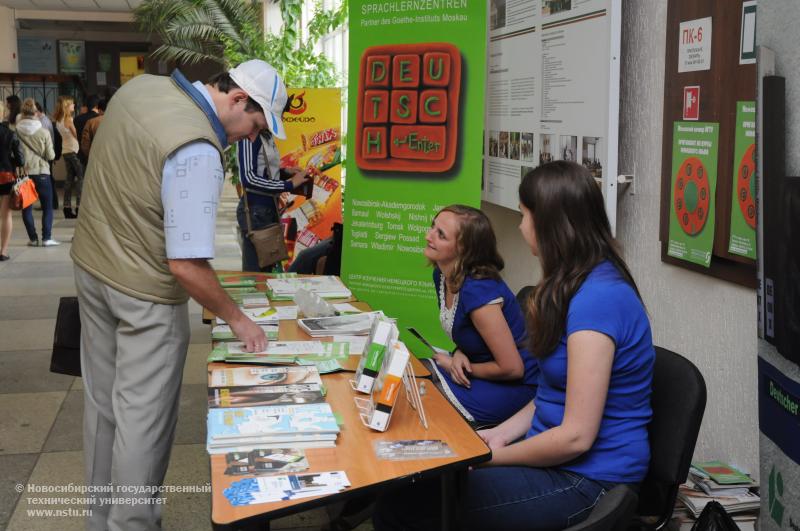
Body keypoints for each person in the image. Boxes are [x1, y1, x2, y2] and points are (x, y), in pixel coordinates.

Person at [374, 161, 655, 530]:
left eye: (524, 216)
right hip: (556, 461)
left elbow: (575, 436)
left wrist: (489, 456)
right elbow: (555, 390)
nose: (521, 227)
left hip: (587, 481)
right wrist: (498, 435)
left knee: (406, 505)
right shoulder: (571, 284)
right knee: (409, 489)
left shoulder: (598, 299)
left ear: (550, 225)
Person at [71, 59, 287, 530]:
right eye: (256, 124)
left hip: (92, 267)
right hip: (143, 294)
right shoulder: (197, 149)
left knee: (103, 408)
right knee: (142, 425)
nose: (253, 138)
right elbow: (185, 263)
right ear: (237, 99)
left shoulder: (141, 90)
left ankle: (99, 520)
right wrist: (237, 317)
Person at [424, 204, 539, 426]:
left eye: (441, 235)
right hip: (479, 369)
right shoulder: (441, 274)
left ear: (464, 250)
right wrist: (458, 353)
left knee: (424, 399)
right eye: (432, 227)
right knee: (411, 373)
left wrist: (456, 366)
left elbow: (513, 368)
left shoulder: (478, 291)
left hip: (514, 387)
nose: (429, 236)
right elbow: (468, 333)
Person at [236, 97, 310, 272]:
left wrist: (286, 172)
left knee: (268, 269)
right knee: (255, 272)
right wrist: (289, 185)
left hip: (269, 210)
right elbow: (249, 178)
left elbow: (265, 170)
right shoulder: (248, 136)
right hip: (254, 210)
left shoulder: (266, 135)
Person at [15, 98, 58, 247]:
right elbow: (51, 156)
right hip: (42, 172)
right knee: (47, 206)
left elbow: (14, 154)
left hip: (24, 173)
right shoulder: (44, 132)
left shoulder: (16, 131)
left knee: (27, 207)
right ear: (36, 113)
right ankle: (47, 238)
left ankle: (33, 239)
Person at [0, 103, 24, 261]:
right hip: (5, 175)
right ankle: (3, 251)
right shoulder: (9, 133)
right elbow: (21, 158)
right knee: (5, 214)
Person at [53, 95, 83, 219]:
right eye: (71, 104)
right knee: (81, 178)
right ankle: (79, 207)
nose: (74, 106)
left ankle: (66, 207)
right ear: (67, 106)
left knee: (69, 179)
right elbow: (77, 136)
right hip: (74, 150)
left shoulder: (58, 120)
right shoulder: (69, 120)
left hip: (66, 150)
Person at [35, 101, 59, 210]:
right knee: (49, 179)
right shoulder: (44, 120)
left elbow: (45, 141)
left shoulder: (43, 122)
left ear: (37, 111)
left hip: (45, 155)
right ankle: (52, 203)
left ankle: (50, 204)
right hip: (47, 154)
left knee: (47, 180)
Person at [74, 94, 99, 165]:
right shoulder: (98, 119)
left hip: (81, 153)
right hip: (95, 153)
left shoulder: (77, 119)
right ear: (97, 105)